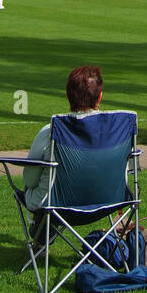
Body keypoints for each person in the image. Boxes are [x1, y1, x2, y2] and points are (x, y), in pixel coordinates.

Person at [22, 65, 105, 216]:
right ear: (100, 96)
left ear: (68, 95)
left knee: (30, 187)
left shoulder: (50, 131)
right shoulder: (116, 129)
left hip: (55, 206)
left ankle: (40, 230)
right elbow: (130, 168)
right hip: (106, 203)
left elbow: (30, 179)